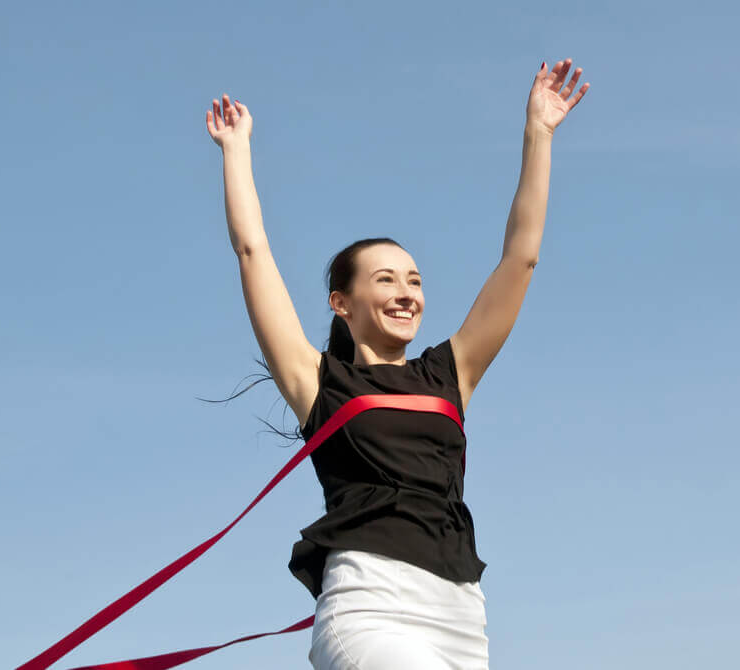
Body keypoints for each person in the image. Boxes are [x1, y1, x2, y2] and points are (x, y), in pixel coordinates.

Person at [205, 58, 589, 670]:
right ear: (342, 302)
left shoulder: (449, 374)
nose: (408, 293)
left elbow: (521, 259)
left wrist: (537, 135)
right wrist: (236, 151)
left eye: (415, 279)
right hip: (369, 606)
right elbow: (252, 252)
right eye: (386, 280)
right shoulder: (318, 383)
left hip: (462, 613)